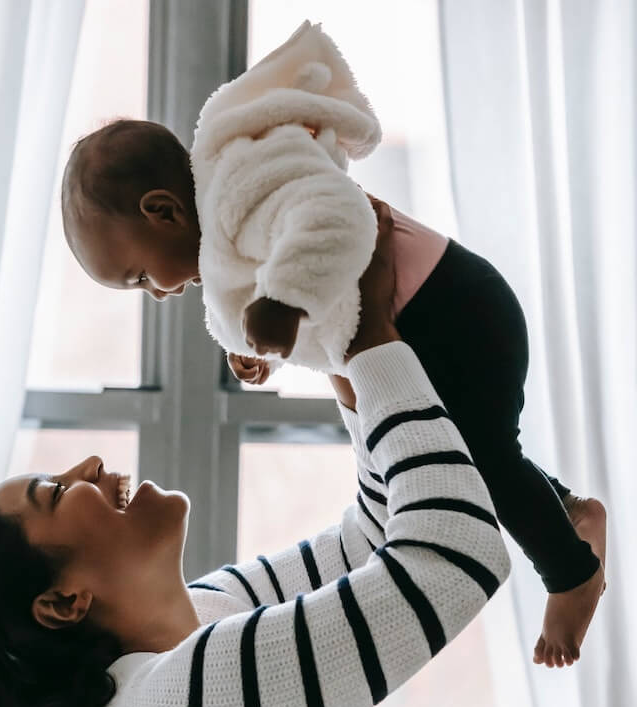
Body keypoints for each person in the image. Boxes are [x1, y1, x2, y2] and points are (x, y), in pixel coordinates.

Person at [0, 219, 510, 707]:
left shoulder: (204, 616)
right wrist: (374, 337)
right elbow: (457, 554)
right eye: (55, 492)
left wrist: (341, 347)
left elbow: (372, 538)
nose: (86, 463)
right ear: (63, 601)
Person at [58, 25, 606, 669]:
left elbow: (335, 217)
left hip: (455, 308)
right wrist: (260, 344)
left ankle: (570, 574)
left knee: (477, 457)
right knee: (471, 452)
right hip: (428, 320)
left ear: (163, 211)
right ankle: (567, 509)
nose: (155, 294)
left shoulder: (244, 179)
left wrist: (280, 305)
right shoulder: (224, 240)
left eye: (141, 277)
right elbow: (314, 299)